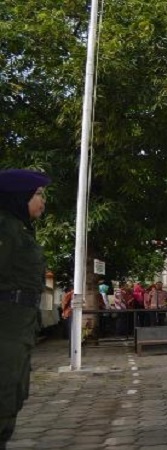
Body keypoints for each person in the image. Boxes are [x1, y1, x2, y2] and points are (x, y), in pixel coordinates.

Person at [0, 169, 51, 447]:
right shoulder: (5, 229)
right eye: (38, 194)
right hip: (5, 326)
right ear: (19, 197)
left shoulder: (18, 228)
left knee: (12, 393)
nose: (42, 201)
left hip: (18, 326)